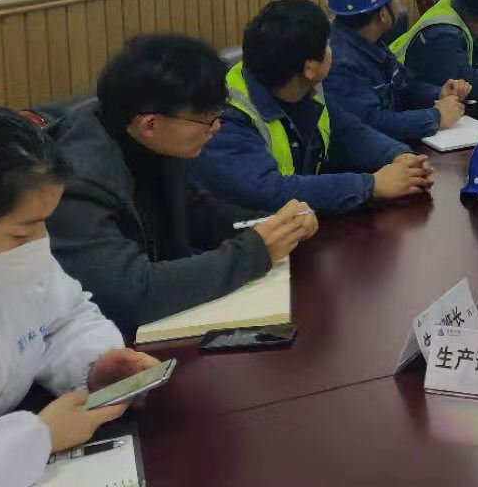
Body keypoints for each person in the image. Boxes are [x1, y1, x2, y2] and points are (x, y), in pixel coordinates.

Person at [48, 36, 319, 330]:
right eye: (207, 120)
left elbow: (200, 213)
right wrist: (253, 252)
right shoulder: (76, 180)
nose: (217, 128)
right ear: (150, 124)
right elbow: (128, 293)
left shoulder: (153, 141)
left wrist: (277, 224)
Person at [0, 107, 163, 487]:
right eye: (21, 233)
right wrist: (37, 438)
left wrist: (96, 365)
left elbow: (66, 318)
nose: (40, 244)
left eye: (44, 224)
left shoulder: (5, 259)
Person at [190, 0, 434, 216]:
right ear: (309, 68)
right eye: (327, 46)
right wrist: (371, 186)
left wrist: (399, 157)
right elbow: (268, 191)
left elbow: (350, 132)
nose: (332, 51)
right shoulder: (226, 116)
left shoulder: (303, 87)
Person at [323, 0, 469, 142]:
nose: (399, 4)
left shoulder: (370, 41)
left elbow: (404, 85)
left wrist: (439, 92)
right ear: (383, 15)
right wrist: (436, 117)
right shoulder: (340, 62)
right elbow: (371, 124)